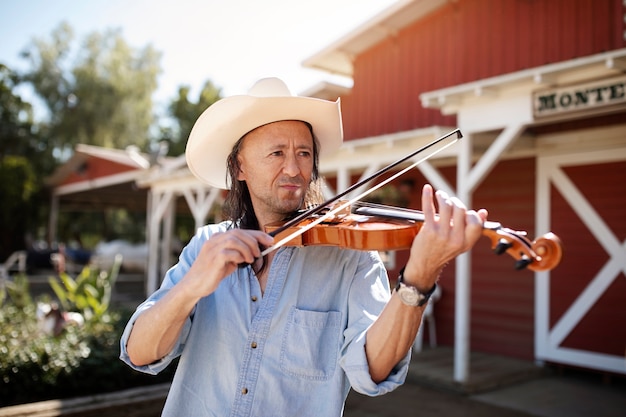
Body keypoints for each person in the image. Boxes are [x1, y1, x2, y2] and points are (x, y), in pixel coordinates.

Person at [119, 77, 487, 416]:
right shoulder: (207, 245)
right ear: (240, 166)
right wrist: (190, 287)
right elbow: (140, 353)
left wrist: (418, 279)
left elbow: (371, 371)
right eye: (277, 153)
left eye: (304, 153)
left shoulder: (351, 257)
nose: (294, 169)